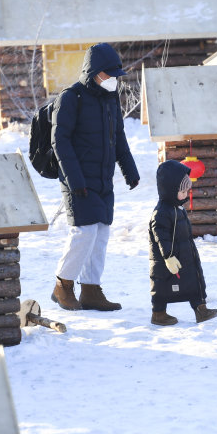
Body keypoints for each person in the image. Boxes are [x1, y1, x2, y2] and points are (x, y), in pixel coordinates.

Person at [50, 42, 140, 311]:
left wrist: (129, 170)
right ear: (95, 73)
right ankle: (62, 286)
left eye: (115, 75)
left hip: (103, 179)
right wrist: (75, 180)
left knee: (101, 233)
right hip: (77, 181)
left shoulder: (110, 99)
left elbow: (119, 138)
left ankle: (90, 289)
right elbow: (60, 142)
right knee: (84, 233)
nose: (113, 80)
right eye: (109, 75)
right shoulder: (71, 97)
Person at [148, 159, 217, 326]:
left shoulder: (177, 208)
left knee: (195, 282)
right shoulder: (161, 212)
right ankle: (158, 313)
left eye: (187, 190)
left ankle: (201, 310)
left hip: (186, 258)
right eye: (182, 191)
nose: (186, 195)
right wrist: (168, 256)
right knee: (162, 287)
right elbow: (160, 236)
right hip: (168, 261)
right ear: (170, 190)